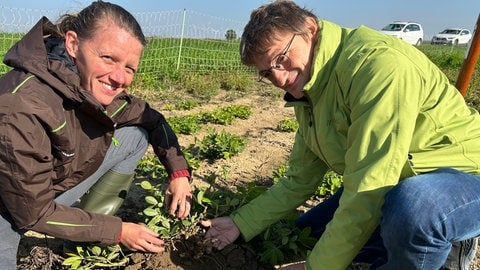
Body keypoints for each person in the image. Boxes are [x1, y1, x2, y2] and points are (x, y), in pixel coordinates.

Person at [201, 0, 480, 269]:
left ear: (310, 29)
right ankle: (390, 245)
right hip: (392, 183)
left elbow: (371, 185)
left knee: (417, 209)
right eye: (267, 73)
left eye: (281, 59)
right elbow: (299, 181)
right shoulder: (310, 87)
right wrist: (241, 222)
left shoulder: (376, 66)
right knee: (306, 233)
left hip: (460, 178)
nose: (281, 78)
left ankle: (449, 247)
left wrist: (317, 267)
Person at [0, 1, 192, 268]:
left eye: (129, 68)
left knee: (134, 137)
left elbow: (153, 120)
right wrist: (118, 231)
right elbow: (33, 213)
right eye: (108, 58)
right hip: (14, 206)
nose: (119, 77)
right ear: (73, 44)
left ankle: (81, 240)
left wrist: (179, 174)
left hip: (39, 191)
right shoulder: (23, 107)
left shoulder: (90, 88)